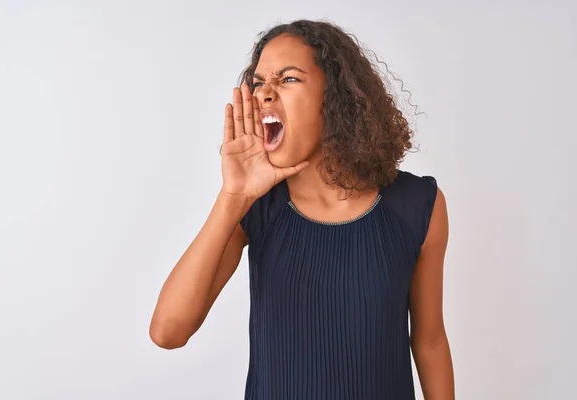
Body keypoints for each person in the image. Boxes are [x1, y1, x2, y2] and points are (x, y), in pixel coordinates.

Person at [150, 19, 455, 399]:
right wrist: (233, 197)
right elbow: (168, 331)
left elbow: (429, 342)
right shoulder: (257, 207)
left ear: (336, 95)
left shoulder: (416, 205)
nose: (264, 94)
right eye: (259, 82)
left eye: (288, 79)